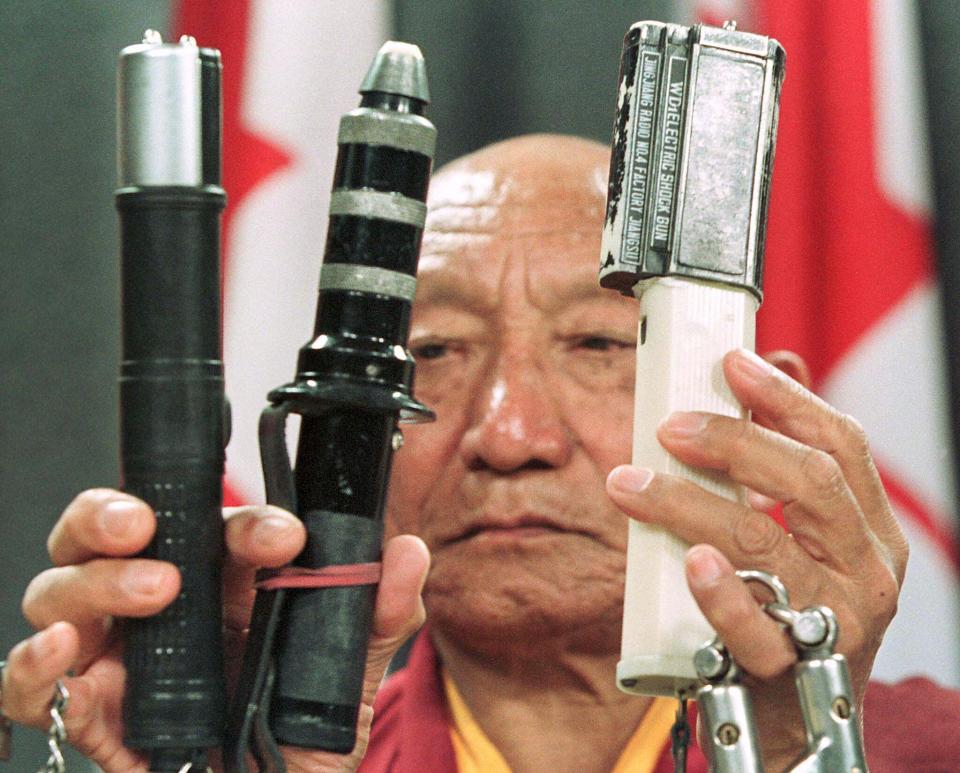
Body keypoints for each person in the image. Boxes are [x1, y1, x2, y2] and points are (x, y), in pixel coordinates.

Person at [3, 135, 958, 772]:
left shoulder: (919, 752)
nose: (508, 436)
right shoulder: (286, 756)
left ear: (771, 423)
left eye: (597, 343)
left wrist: (792, 754)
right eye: (433, 354)